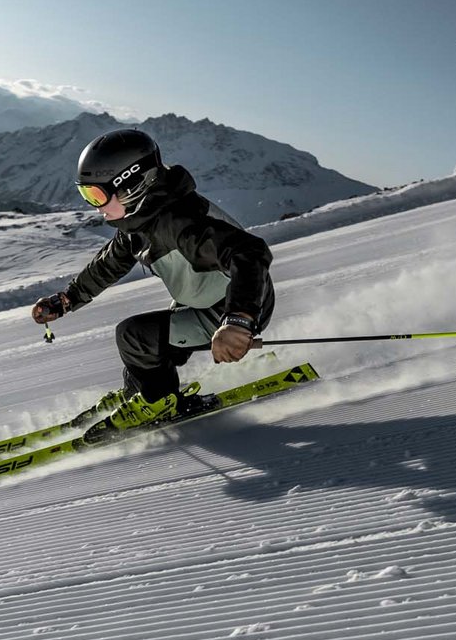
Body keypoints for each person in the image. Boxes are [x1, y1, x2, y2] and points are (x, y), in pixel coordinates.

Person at [31, 127, 275, 432]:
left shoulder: (180, 223)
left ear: (131, 185)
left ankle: (158, 402)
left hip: (236, 306)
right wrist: (68, 299)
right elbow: (108, 264)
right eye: (86, 194)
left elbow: (249, 253)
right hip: (207, 299)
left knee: (134, 336)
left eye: (96, 195)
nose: (94, 205)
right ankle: (141, 391)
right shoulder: (141, 221)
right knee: (147, 346)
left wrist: (239, 320)